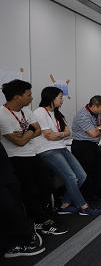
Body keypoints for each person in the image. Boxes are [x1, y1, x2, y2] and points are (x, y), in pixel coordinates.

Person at [0, 80, 66, 235]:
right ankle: (40, 222)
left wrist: (26, 132)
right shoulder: (2, 115)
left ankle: (43, 217)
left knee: (46, 184)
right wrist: (30, 130)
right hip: (16, 158)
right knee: (30, 191)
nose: (32, 97)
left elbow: (38, 130)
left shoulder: (26, 111)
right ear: (17, 97)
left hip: (32, 154)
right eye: (28, 95)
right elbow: (20, 142)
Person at [33, 86, 101, 216]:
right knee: (71, 177)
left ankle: (64, 204)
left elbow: (68, 132)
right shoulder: (40, 112)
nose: (62, 100)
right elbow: (49, 136)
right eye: (60, 97)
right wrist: (60, 134)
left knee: (82, 175)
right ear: (51, 98)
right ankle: (83, 207)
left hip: (61, 147)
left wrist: (58, 134)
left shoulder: (57, 113)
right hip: (47, 150)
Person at [1, 141, 45, 258]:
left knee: (16, 200)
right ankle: (12, 245)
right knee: (8, 205)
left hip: (4, 167)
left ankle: (24, 235)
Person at [71, 95, 101, 201]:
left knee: (99, 169)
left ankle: (98, 192)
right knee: (87, 172)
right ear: (94, 106)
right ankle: (88, 196)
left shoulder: (98, 113)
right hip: (82, 146)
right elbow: (93, 133)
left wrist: (98, 128)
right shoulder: (83, 115)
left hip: (92, 145)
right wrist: (100, 128)